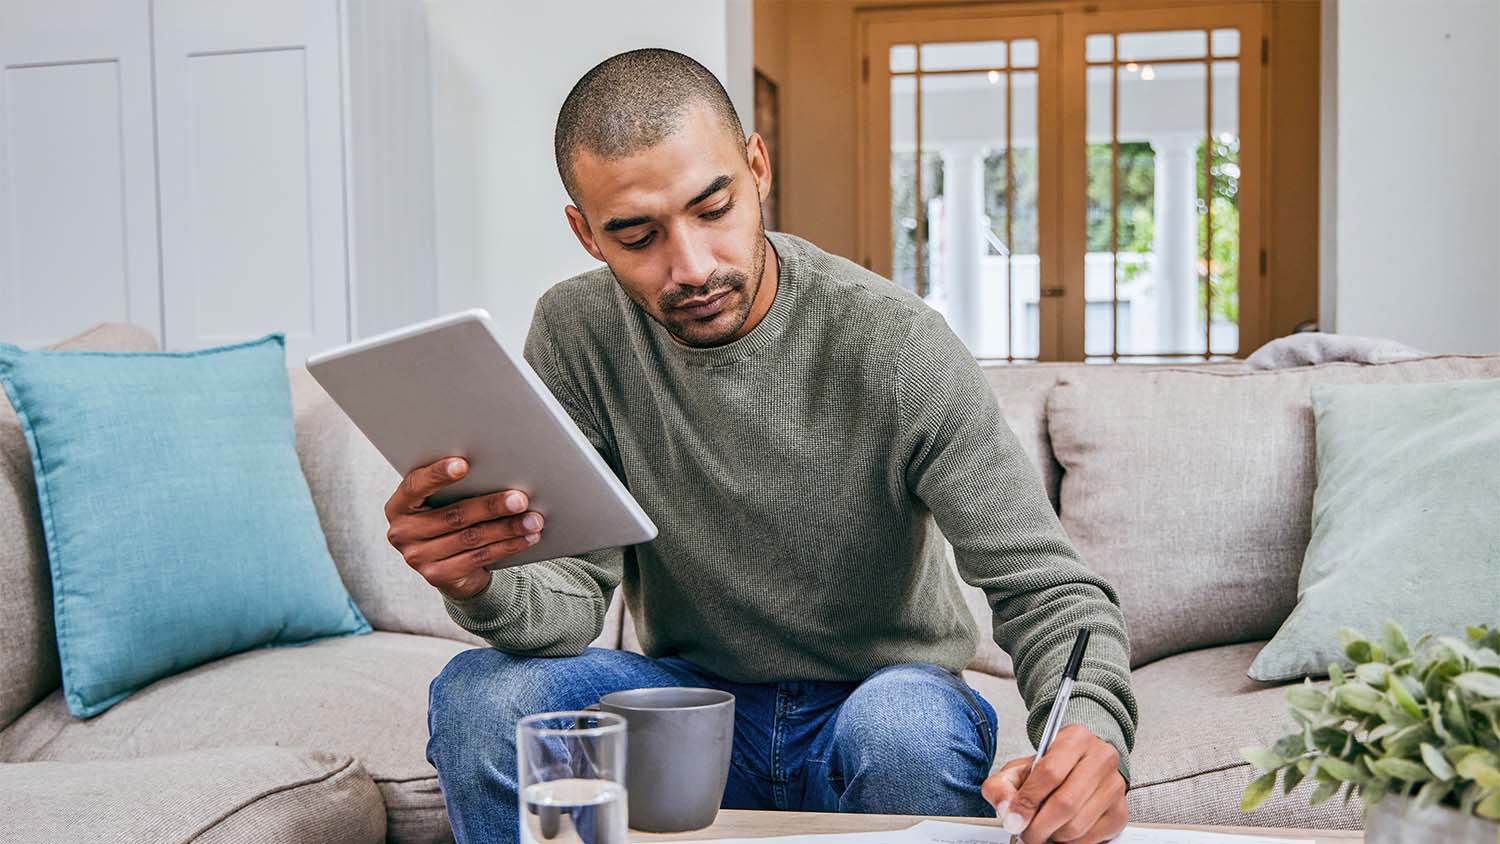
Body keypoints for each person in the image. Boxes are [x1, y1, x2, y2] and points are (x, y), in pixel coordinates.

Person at [390, 48, 1137, 844]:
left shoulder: (896, 345)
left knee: (905, 729)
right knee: (482, 700)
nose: (693, 265)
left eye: (714, 209)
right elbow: (569, 601)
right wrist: (480, 582)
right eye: (637, 236)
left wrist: (1091, 736)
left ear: (756, 168)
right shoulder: (580, 334)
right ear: (586, 234)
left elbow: (1049, 592)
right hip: (687, 711)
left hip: (878, 697)